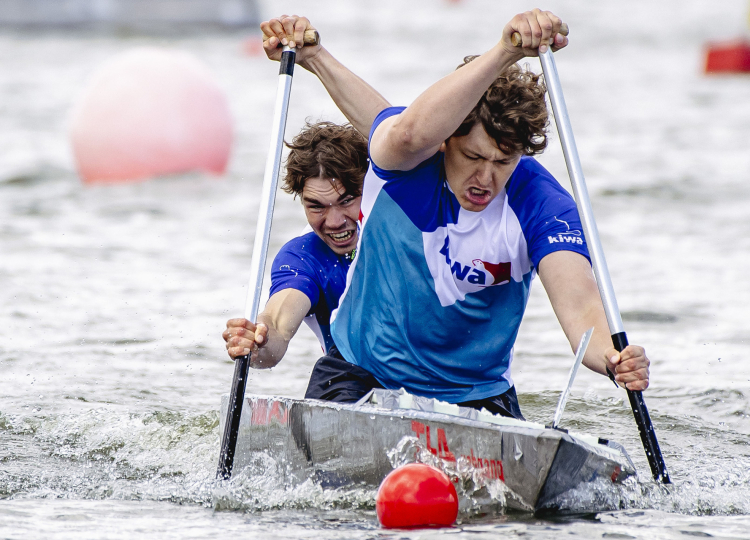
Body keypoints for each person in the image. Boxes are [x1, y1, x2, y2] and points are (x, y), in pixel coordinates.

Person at [252, 11, 650, 419]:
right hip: (361, 376)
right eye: (474, 156)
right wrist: (505, 52)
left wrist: (613, 358)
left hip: (476, 392)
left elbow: (582, 308)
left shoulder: (543, 204)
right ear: (445, 142)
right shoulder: (406, 164)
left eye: (503, 161)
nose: (485, 178)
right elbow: (407, 130)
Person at [222, 27, 390, 368]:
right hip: (352, 378)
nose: (334, 221)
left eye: (346, 200)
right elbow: (279, 327)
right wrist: (257, 342)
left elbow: (398, 130)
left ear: (368, 188)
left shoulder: (407, 226)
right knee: (327, 370)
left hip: (438, 377)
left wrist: (314, 57)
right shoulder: (303, 258)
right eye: (316, 206)